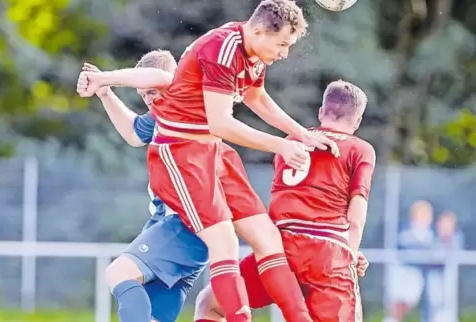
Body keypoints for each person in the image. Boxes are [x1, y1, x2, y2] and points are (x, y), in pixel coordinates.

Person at [77, 1, 341, 321]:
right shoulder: (222, 50)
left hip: (209, 156)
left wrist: (299, 134)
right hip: (183, 154)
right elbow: (217, 123)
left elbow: (254, 99)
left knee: (264, 238)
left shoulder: (253, 52)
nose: (285, 53)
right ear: (259, 31)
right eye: (282, 44)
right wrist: (280, 146)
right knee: (221, 247)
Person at [194, 80, 375, 322]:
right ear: (358, 121)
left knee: (211, 303)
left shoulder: (291, 141)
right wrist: (349, 255)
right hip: (326, 257)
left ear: (322, 112)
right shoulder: (360, 149)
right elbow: (355, 218)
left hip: (279, 249)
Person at [79, 51, 209, 322]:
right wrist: (106, 93)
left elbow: (161, 78)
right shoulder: (163, 114)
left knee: (118, 273)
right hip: (173, 224)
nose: (149, 99)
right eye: (144, 96)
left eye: (152, 92)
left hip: (183, 223)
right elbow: (135, 133)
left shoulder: (183, 99)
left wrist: (102, 77)